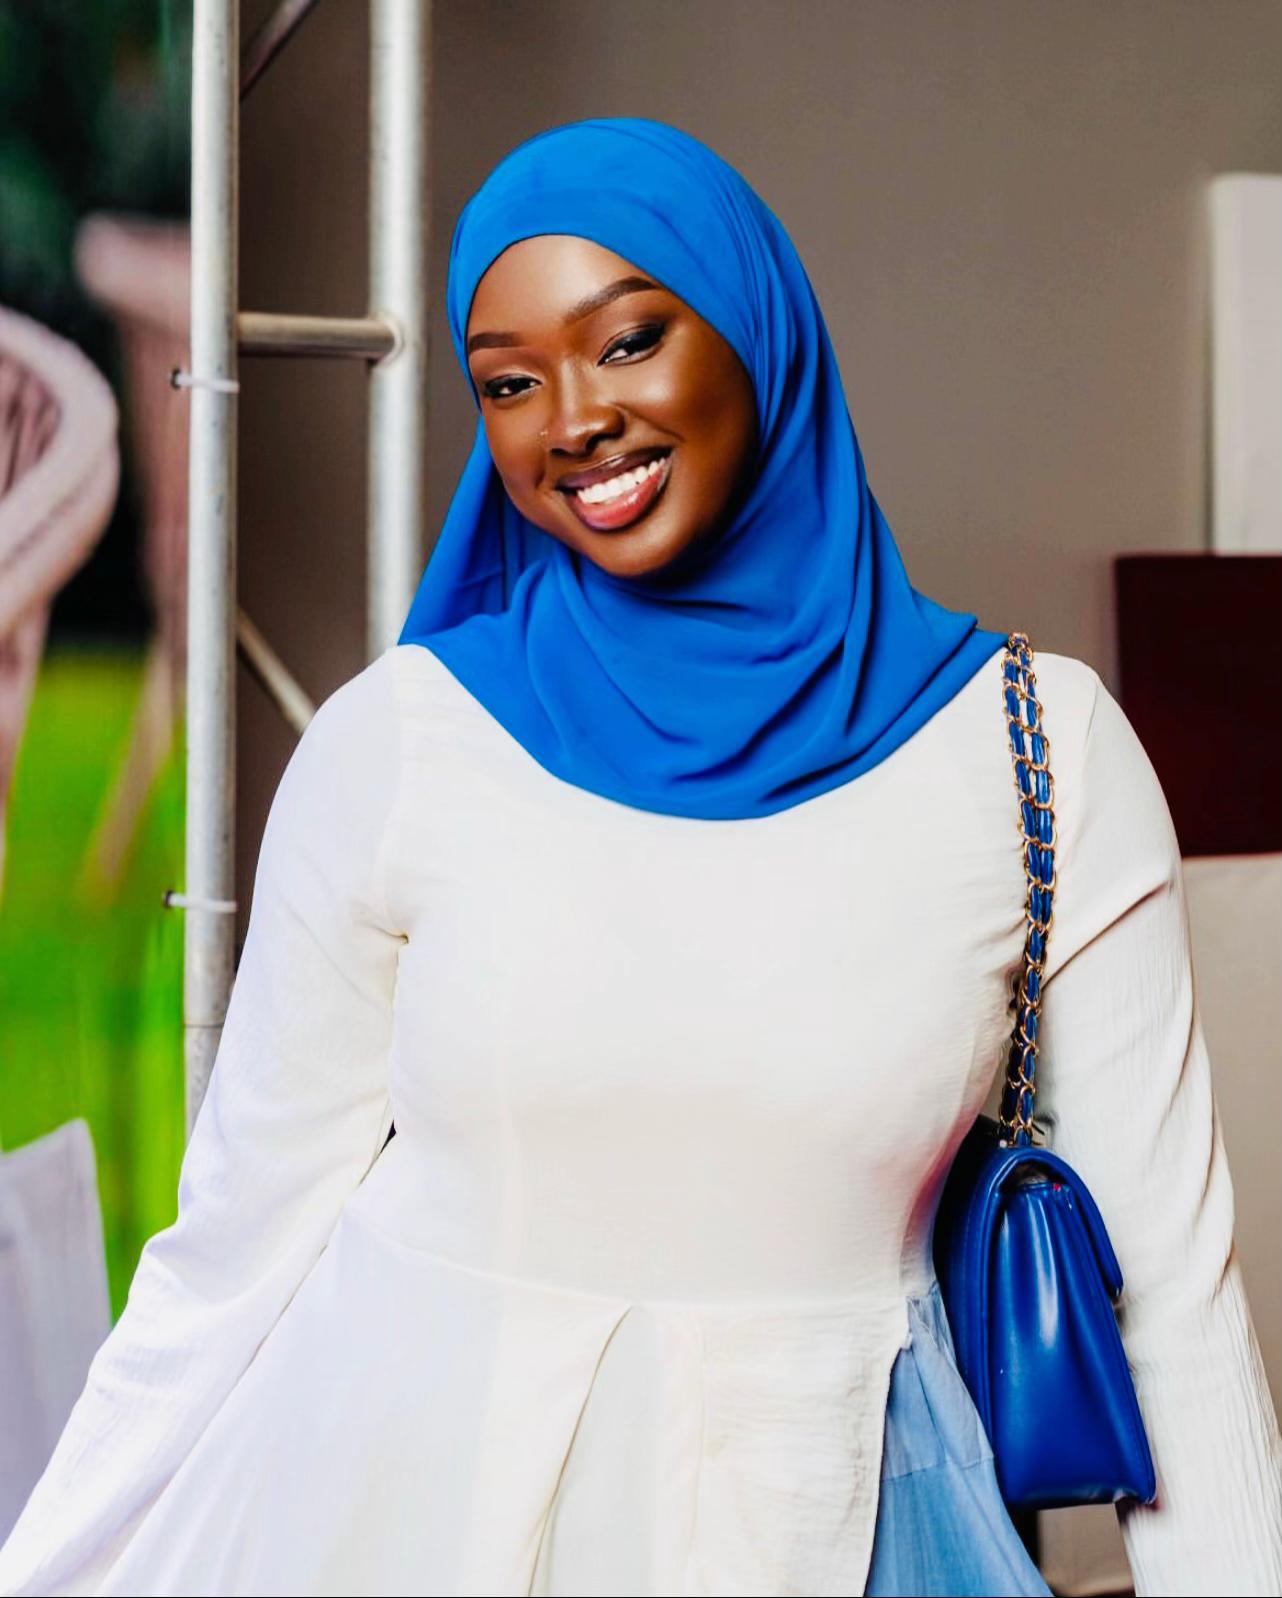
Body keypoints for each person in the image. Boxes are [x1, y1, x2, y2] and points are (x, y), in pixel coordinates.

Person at [1, 115, 1279, 1598]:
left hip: (835, 1528)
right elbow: (233, 1253)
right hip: (392, 1527)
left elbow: (1173, 1308)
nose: (573, 420)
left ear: (755, 327)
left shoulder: (1035, 750)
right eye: (507, 381)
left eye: (626, 342)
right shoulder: (399, 743)